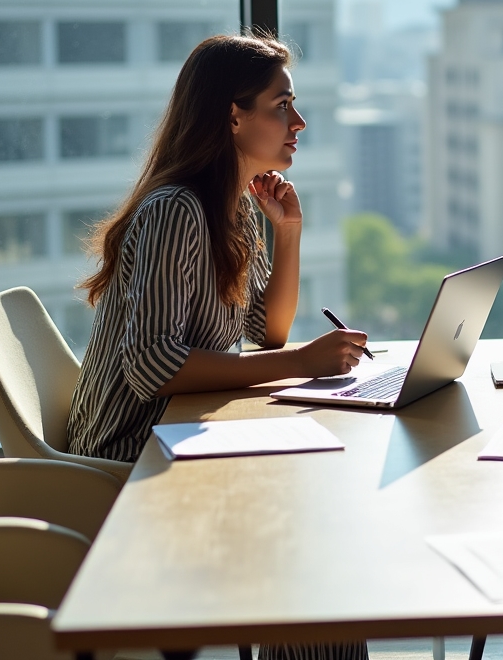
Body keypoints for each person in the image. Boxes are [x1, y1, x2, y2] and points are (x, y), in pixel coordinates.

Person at [68, 33, 369, 660]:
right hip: (133, 454)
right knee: (314, 558)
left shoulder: (231, 209)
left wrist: (287, 234)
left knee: (319, 540)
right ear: (233, 116)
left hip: (180, 436)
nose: (299, 122)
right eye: (281, 105)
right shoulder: (176, 209)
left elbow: (267, 332)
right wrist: (304, 364)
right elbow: (153, 367)